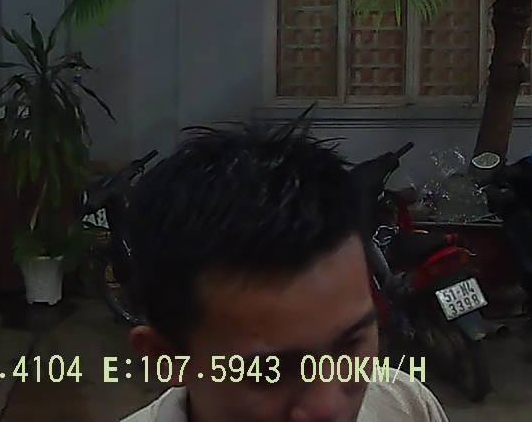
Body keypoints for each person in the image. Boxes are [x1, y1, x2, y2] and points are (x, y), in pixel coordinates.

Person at [120, 117, 448, 422]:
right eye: (270, 372)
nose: (329, 407)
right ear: (166, 358)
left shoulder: (405, 406)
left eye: (351, 346)